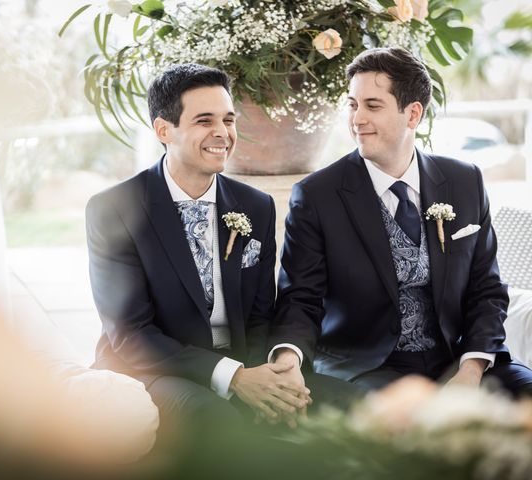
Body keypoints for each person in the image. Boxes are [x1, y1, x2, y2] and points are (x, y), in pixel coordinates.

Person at [268, 47, 532, 396]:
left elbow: (486, 290)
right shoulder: (317, 195)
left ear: (413, 114)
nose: (357, 119)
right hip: (367, 368)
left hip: (458, 359)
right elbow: (300, 298)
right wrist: (288, 358)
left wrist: (470, 370)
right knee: (409, 425)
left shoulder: (465, 181)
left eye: (372, 106)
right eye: (352, 104)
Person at [86, 64, 320, 442]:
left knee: (325, 403)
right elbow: (131, 335)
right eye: (204, 120)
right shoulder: (114, 209)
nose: (222, 133)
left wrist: (267, 376)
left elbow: (261, 314)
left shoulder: (255, 206)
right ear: (164, 130)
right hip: (150, 370)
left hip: (242, 365)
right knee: (215, 419)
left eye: (228, 119)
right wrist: (234, 377)